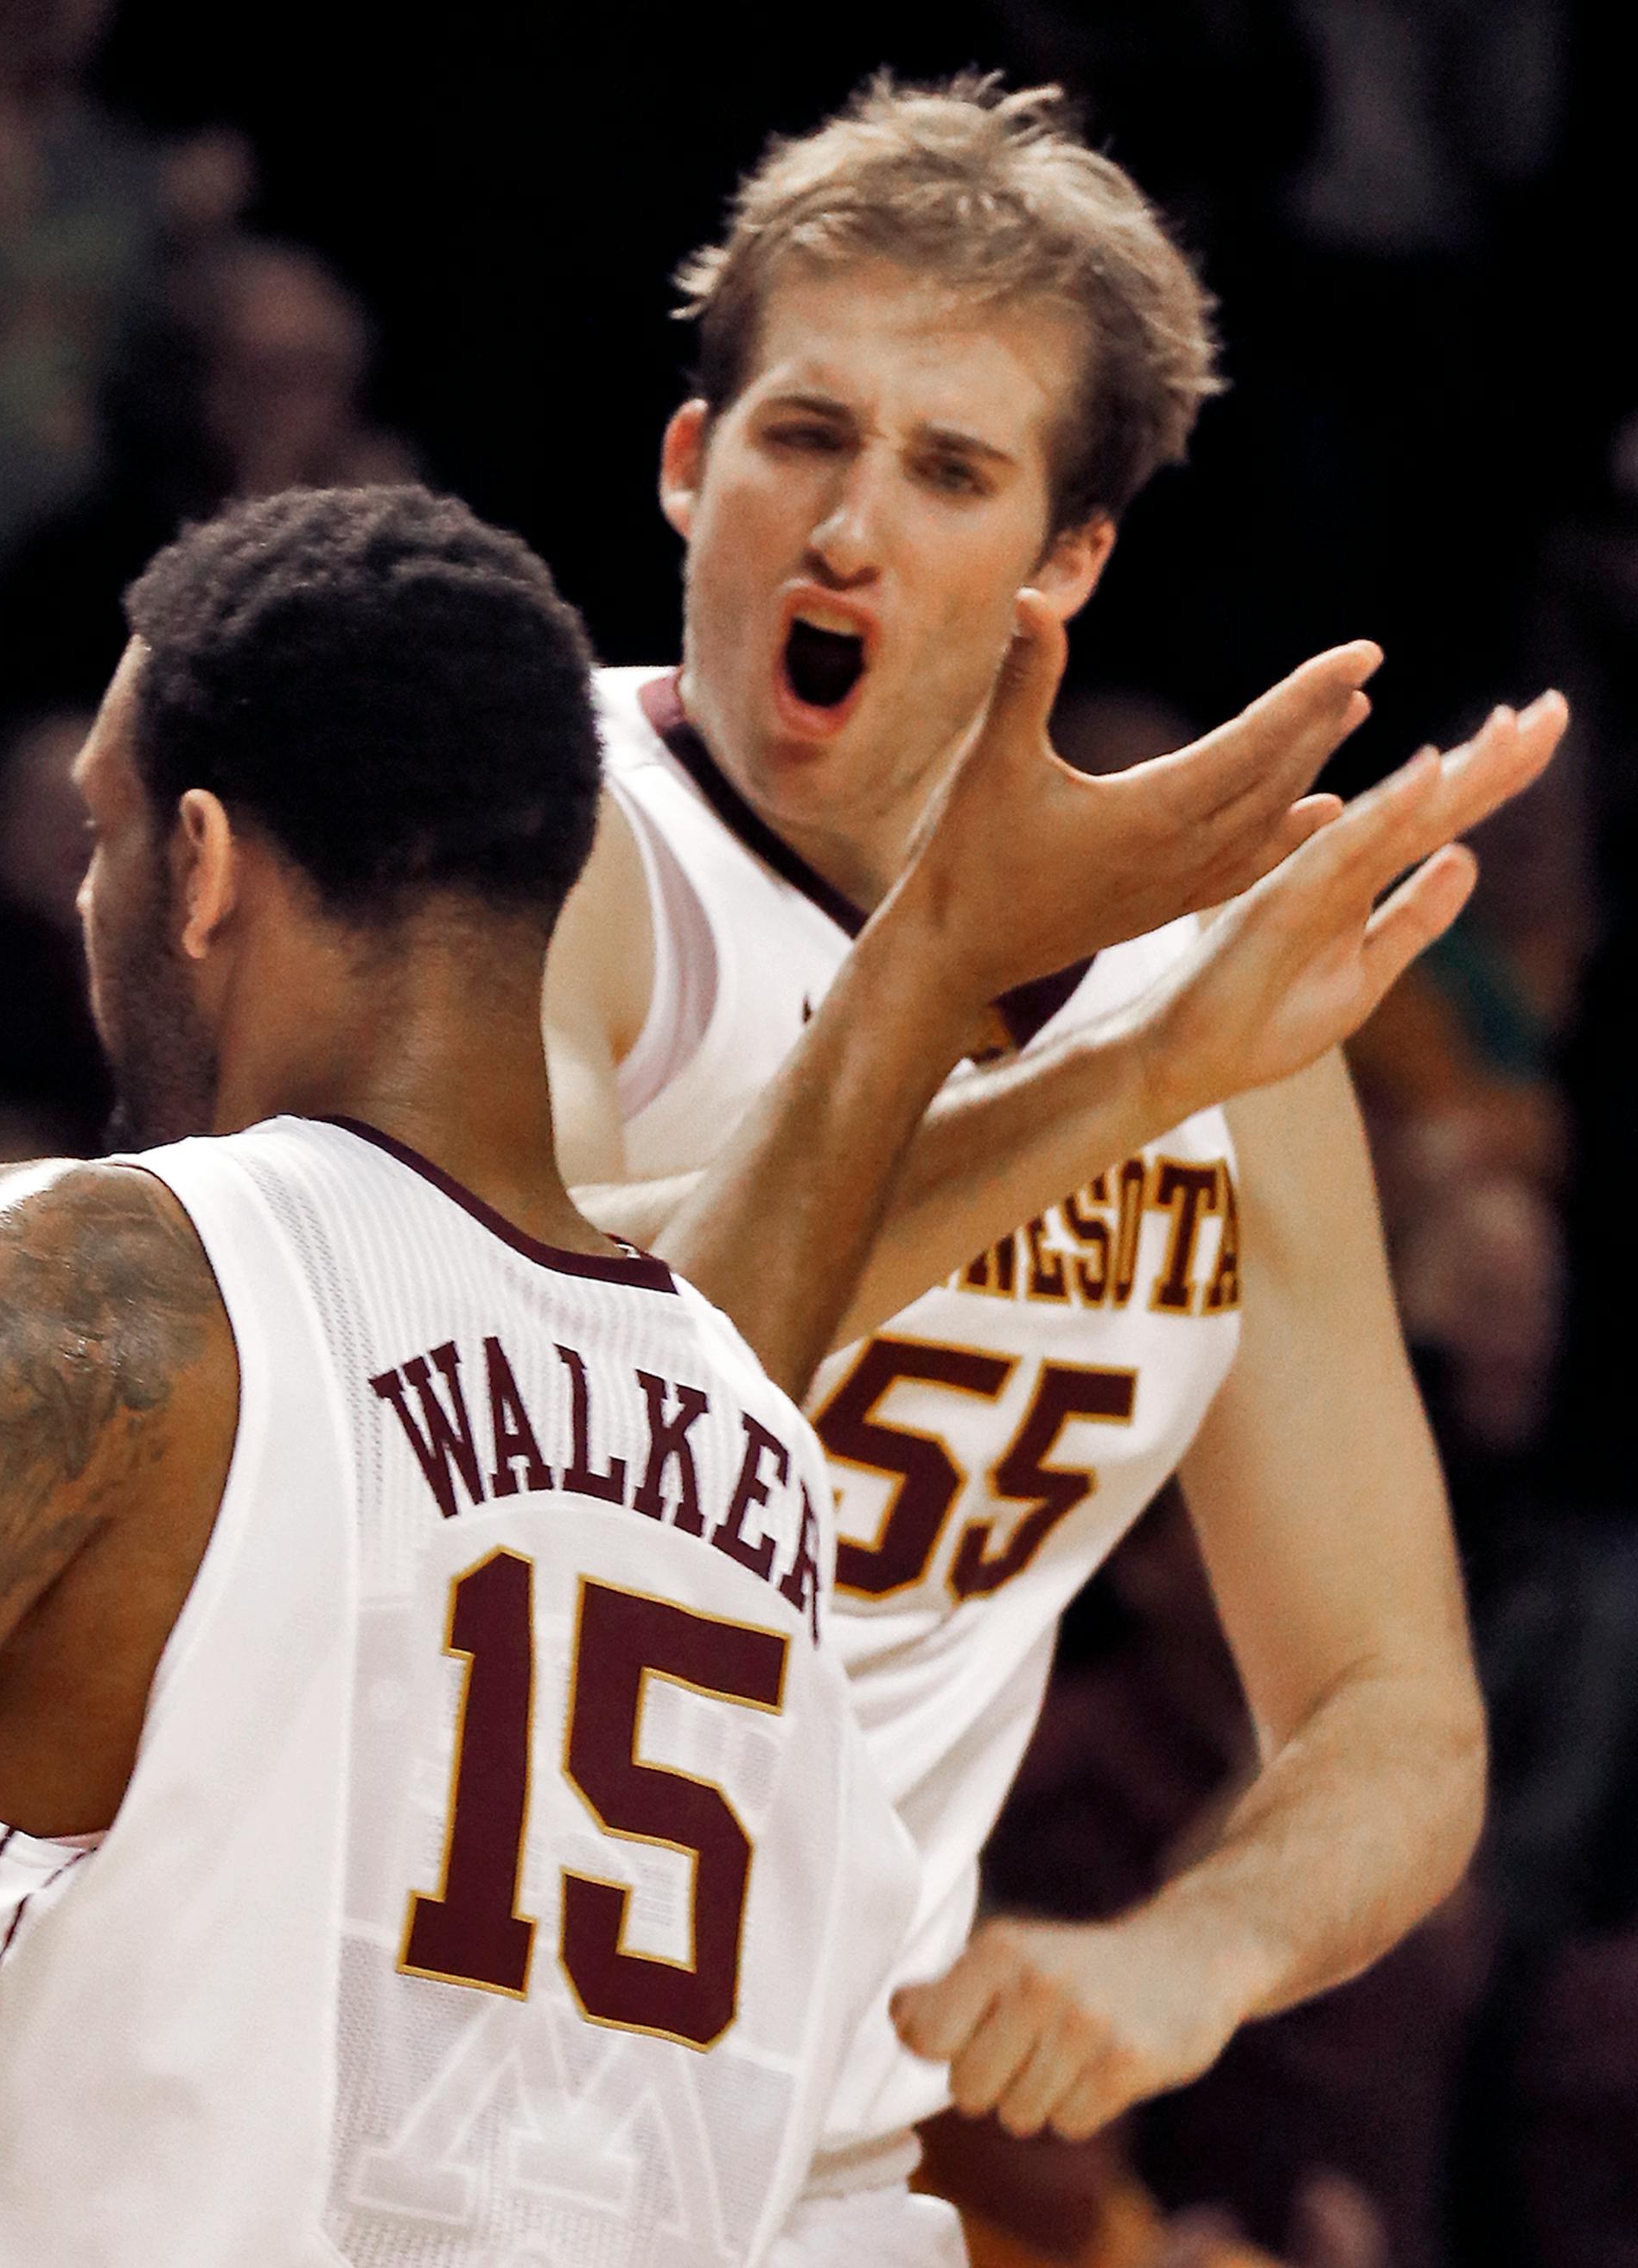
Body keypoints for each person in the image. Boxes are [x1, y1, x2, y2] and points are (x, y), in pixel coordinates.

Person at [0, 473, 1544, 2264]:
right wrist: (1108, 1054)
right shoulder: (746, 1464)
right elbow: (674, 1333)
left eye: (106, 838)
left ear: (208, 866)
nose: (90, 902)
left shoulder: (98, 1296)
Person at [539, 74, 1571, 2262]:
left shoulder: (1215, 1018)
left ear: (1066, 561)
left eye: (948, 471)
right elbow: (557, 1404)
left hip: (816, 2167)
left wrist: (1189, 1954)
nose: (848, 528)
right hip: (401, 2085)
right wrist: (1125, 1076)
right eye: (803, 436)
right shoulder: (534, 855)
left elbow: (1394, 1709)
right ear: (686, 462)